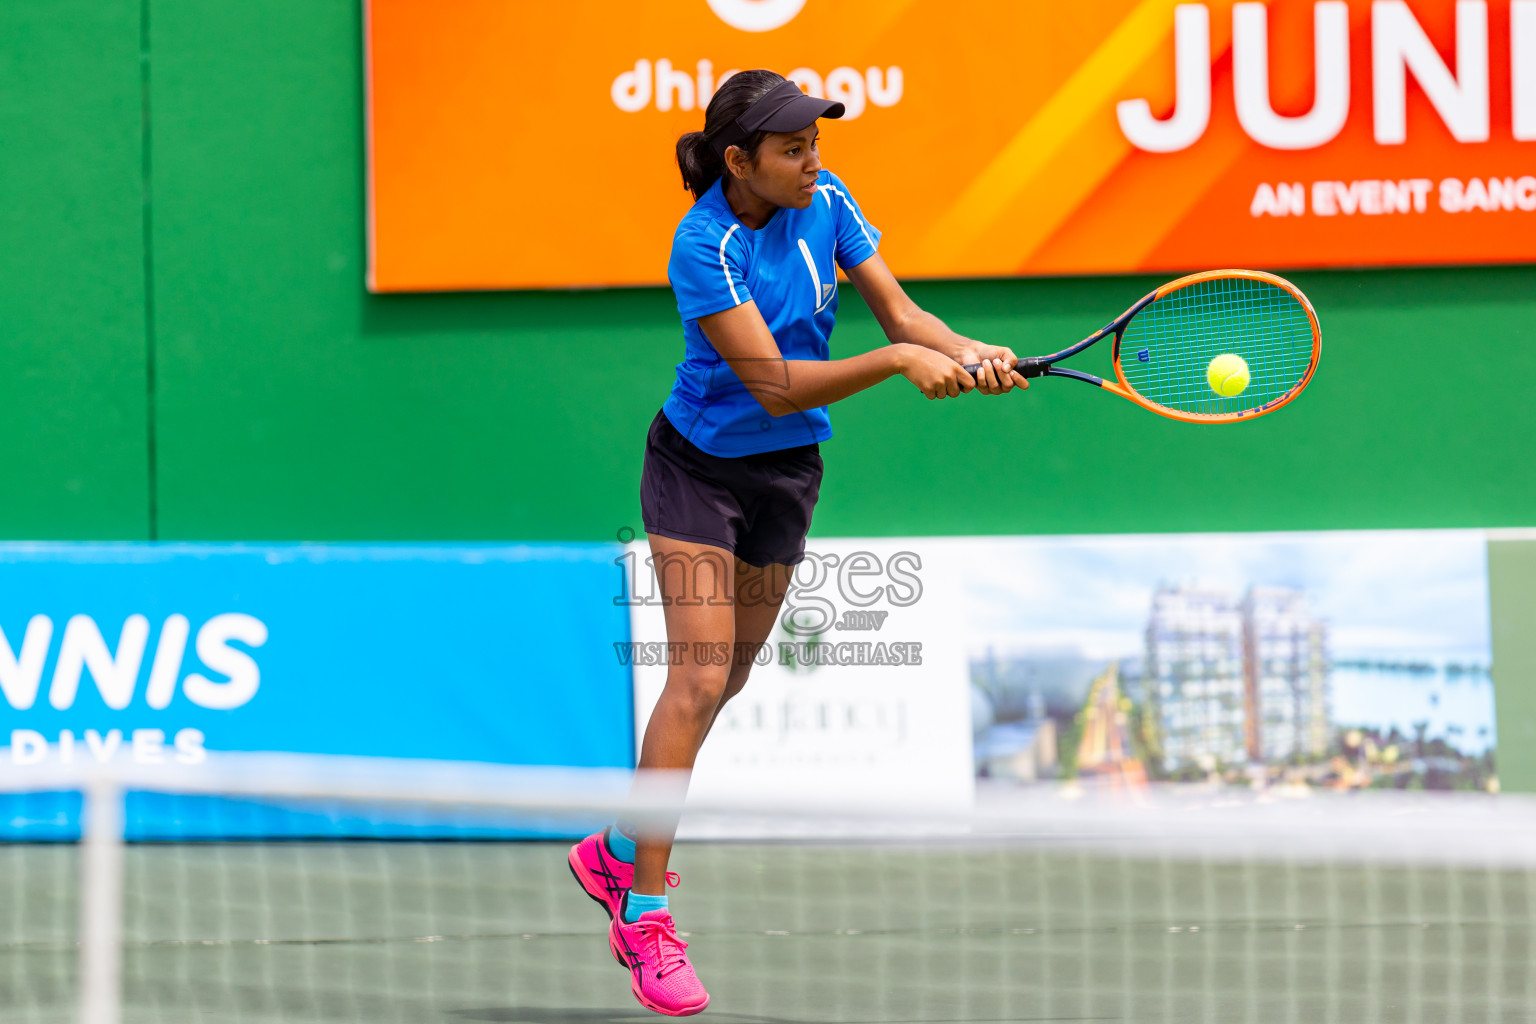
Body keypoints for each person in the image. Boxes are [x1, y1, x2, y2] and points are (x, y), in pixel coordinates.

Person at [568, 69, 1028, 1016]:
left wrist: (965, 350)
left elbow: (904, 316)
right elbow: (775, 381)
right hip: (698, 469)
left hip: (787, 477)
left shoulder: (831, 200)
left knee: (728, 679)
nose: (813, 161)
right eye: (792, 148)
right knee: (695, 680)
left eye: (816, 143)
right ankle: (644, 912)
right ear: (739, 161)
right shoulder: (703, 247)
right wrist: (905, 365)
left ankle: (614, 850)